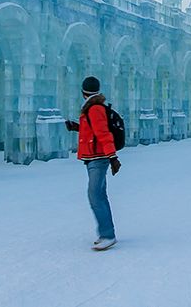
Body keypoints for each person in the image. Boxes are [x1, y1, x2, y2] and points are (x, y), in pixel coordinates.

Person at [64, 76, 121, 251]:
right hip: (93, 157)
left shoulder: (94, 108)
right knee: (99, 195)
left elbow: (104, 134)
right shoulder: (92, 107)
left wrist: (112, 157)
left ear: (83, 92)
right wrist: (76, 127)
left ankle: (107, 235)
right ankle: (107, 232)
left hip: (98, 158)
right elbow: (93, 131)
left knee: (95, 195)